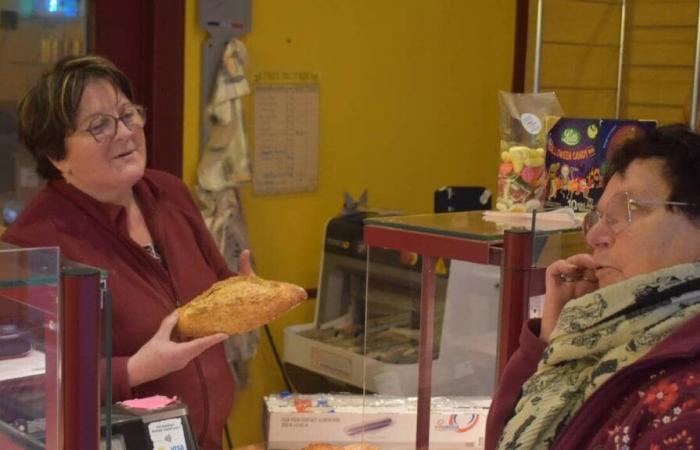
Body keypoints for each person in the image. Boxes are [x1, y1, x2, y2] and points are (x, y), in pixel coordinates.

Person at [1, 55, 250, 450]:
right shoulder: (33, 242)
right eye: (99, 125)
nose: (124, 133)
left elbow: (214, 290)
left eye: (128, 115)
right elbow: (25, 388)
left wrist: (242, 298)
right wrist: (136, 369)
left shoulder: (169, 193)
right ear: (56, 155)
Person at [486, 124, 700, 449]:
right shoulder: (605, 338)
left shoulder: (687, 394)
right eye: (596, 219)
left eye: (619, 214)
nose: (593, 237)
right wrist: (551, 340)